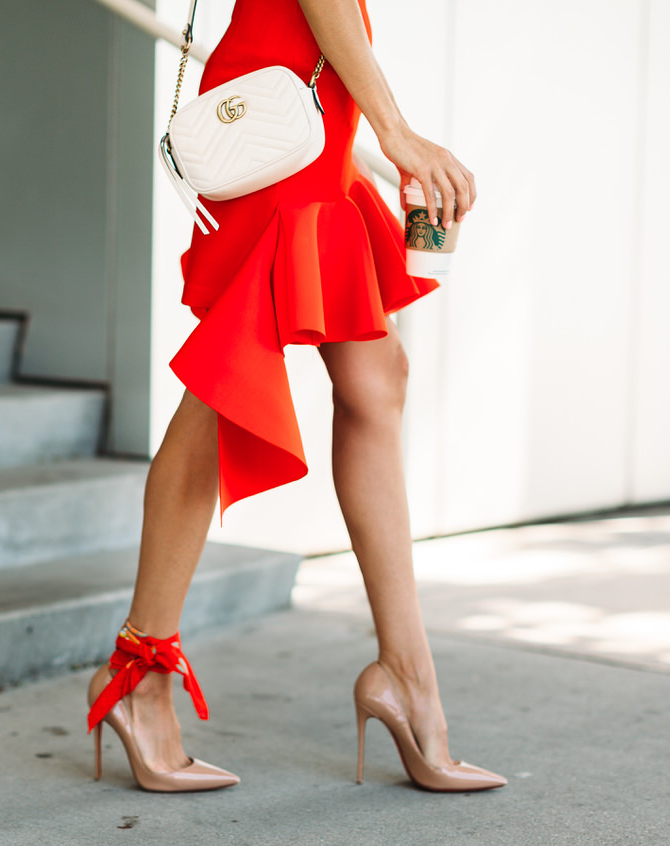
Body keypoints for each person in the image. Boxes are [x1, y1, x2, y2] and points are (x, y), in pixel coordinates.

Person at [86, 0, 507, 793]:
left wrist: (373, 125)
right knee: (227, 386)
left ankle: (407, 676)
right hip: (285, 101)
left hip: (316, 105)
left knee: (377, 379)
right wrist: (398, 130)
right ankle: (139, 675)